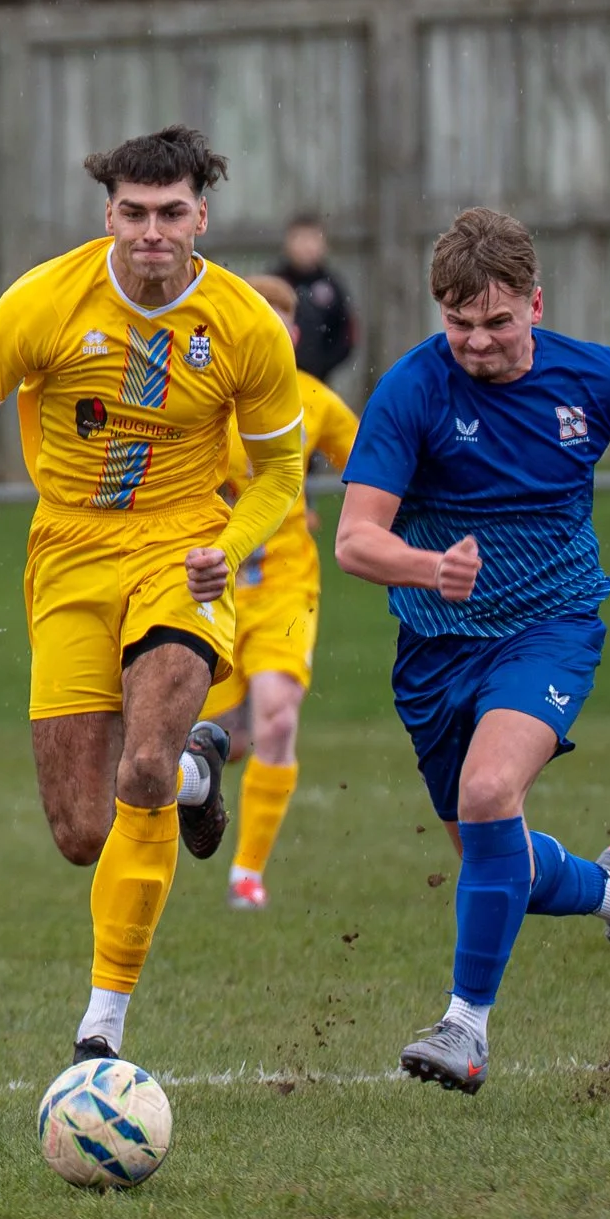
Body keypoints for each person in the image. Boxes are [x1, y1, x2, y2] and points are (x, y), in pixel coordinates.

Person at [0, 126, 303, 1068]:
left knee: (141, 769)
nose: (151, 231)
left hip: (181, 547)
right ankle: (201, 772)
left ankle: (100, 1029)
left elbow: (281, 472)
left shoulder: (242, 323)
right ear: (107, 213)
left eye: (171, 213)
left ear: (202, 216)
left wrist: (228, 549)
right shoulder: (46, 300)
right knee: (82, 829)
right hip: (69, 551)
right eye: (133, 212)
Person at [334, 207, 610, 1096]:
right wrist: (429, 567)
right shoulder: (412, 391)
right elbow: (355, 539)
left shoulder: (598, 379)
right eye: (459, 323)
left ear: (536, 302)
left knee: (492, 792)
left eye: (497, 321)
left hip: (550, 627)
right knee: (500, 863)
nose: (477, 342)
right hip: (434, 651)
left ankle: (465, 1028)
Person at [196, 274, 359, 910]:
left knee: (278, 713)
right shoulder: (200, 398)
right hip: (206, 587)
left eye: (273, 323)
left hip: (287, 586)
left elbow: (373, 472)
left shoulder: (314, 402)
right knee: (202, 736)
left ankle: (247, 873)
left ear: (289, 335)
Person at [272, 214, 356, 383]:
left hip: (320, 380)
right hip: (277, 377)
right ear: (287, 243)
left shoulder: (332, 285)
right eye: (300, 238)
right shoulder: (274, 282)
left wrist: (322, 365)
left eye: (312, 239)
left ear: (324, 245)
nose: (306, 246)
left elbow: (347, 333)